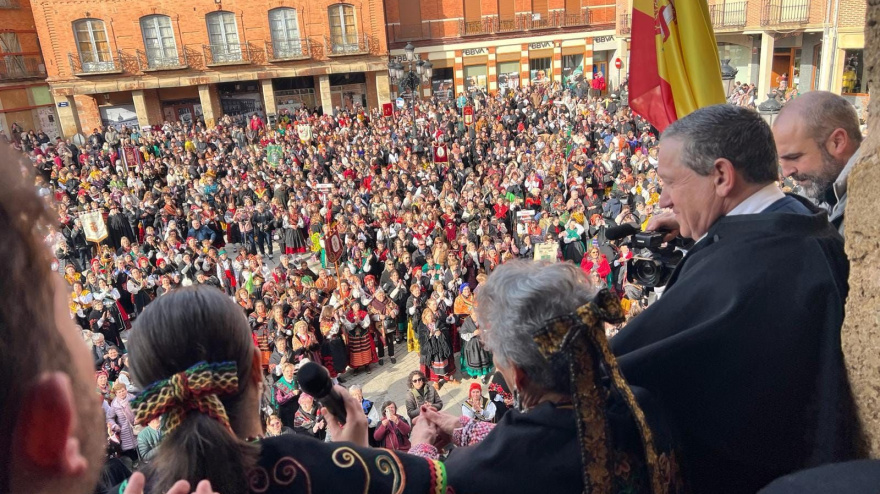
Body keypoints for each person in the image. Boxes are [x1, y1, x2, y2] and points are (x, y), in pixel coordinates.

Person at [611, 104, 861, 493]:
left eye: (671, 183)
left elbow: (614, 370)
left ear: (722, 176)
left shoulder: (737, 268)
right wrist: (704, 229)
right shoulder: (800, 217)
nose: (664, 201)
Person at [126, 286, 448, 494]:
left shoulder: (130, 487)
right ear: (257, 368)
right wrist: (355, 465)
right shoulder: (302, 461)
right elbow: (439, 480)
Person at [408, 261, 677, 493]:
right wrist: (461, 427)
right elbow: (542, 433)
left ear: (519, 375)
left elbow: (514, 450)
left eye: (499, 359)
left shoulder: (486, 467)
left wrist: (421, 446)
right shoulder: (639, 401)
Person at [773, 91, 863, 235]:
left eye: (794, 157)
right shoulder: (820, 184)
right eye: (780, 160)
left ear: (837, 142)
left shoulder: (871, 197)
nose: (786, 172)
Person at [106, 381, 138, 462]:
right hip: (124, 431)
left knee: (140, 447)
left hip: (137, 427)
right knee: (130, 454)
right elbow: (109, 418)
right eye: (119, 392)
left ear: (126, 390)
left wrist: (139, 417)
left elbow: (141, 409)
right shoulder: (114, 404)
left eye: (123, 391)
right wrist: (115, 426)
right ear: (116, 394)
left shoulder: (134, 398)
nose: (122, 393)